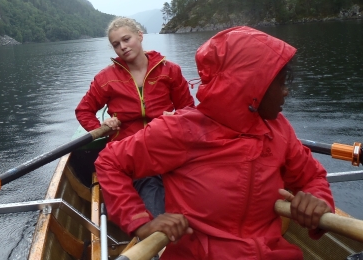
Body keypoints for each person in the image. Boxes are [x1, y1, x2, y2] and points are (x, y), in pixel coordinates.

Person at [94, 26, 334, 259]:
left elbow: (312, 178)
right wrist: (140, 222)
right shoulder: (181, 129)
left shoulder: (279, 128)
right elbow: (109, 162)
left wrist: (318, 200)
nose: (286, 92)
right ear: (252, 85)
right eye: (280, 83)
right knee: (150, 186)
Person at [75, 16, 194, 218]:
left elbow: (188, 109)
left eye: (126, 39)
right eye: (116, 44)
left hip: (167, 144)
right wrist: (102, 129)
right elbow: (83, 110)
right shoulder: (106, 78)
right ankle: (156, 235)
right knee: (150, 182)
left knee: (190, 179)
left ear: (140, 36)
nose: (122, 46)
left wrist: (177, 116)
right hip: (130, 151)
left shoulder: (169, 71)